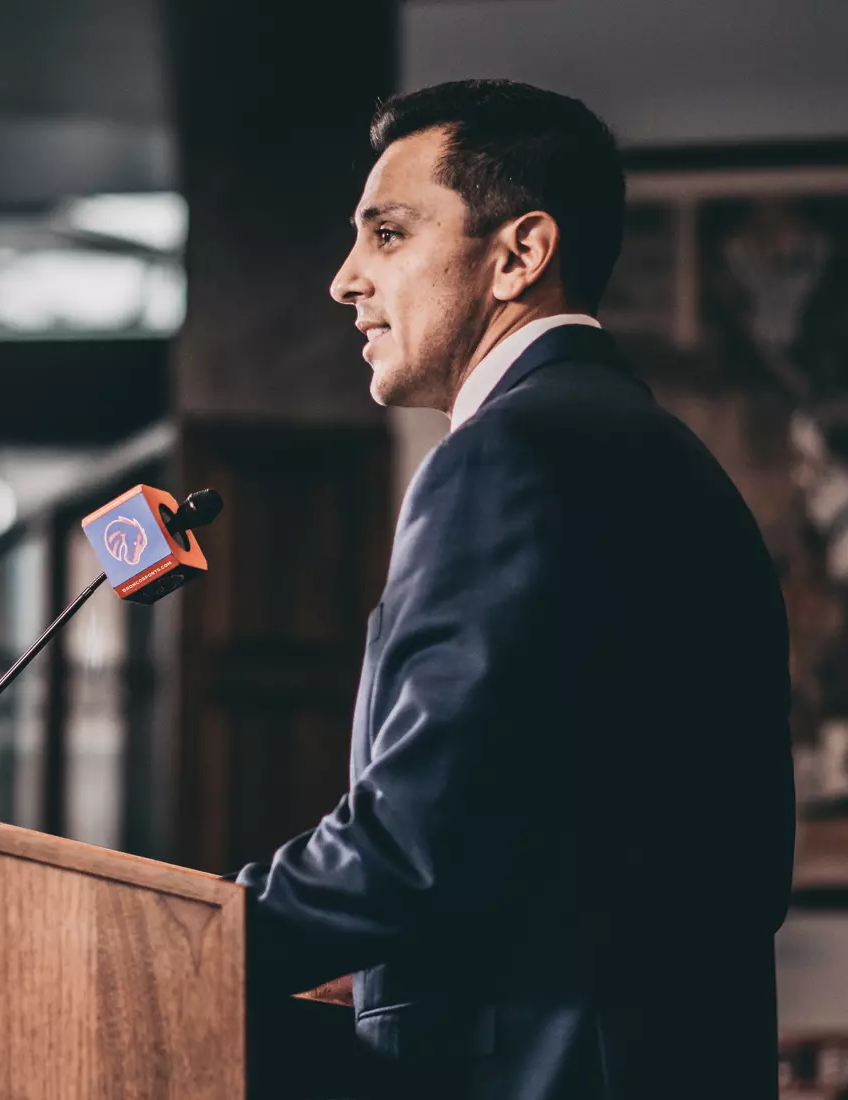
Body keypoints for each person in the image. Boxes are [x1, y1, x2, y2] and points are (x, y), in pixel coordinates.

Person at [234, 80, 794, 1100]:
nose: (344, 280)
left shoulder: (514, 453)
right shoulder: (645, 446)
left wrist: (182, 942)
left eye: (388, 235)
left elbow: (414, 838)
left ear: (518, 254)